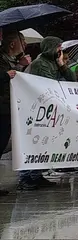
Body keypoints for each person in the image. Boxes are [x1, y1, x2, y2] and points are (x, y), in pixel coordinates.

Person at [17, 36, 71, 191]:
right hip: (35, 108)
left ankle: (36, 174)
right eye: (58, 48)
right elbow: (49, 84)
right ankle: (26, 176)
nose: (60, 51)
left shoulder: (54, 63)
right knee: (32, 142)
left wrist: (62, 65)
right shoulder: (40, 64)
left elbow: (71, 78)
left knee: (42, 143)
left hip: (46, 109)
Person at [0, 29, 26, 195]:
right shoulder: (1, 60)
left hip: (7, 109)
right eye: (21, 42)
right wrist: (5, 75)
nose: (24, 45)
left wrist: (20, 67)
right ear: (12, 44)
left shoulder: (10, 60)